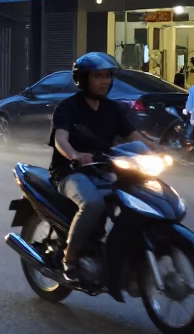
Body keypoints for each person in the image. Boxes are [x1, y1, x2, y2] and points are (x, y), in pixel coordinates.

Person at [50, 52, 147, 280]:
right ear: (83, 80)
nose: (105, 81)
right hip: (70, 172)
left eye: (107, 76)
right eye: (98, 76)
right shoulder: (67, 108)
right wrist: (74, 154)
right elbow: (60, 139)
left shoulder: (112, 109)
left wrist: (159, 149)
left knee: (138, 198)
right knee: (92, 203)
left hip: (104, 169)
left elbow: (134, 136)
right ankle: (69, 257)